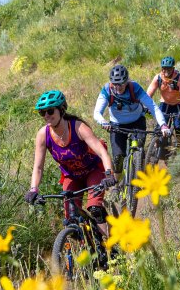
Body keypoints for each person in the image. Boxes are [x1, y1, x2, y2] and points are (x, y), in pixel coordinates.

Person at [25, 90, 115, 231]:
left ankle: (112, 246)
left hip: (93, 171)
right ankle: (80, 244)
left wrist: (109, 173)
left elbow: (102, 152)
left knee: (95, 209)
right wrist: (33, 189)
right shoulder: (43, 134)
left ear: (61, 110)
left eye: (50, 111)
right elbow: (38, 167)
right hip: (71, 176)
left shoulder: (78, 127)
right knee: (71, 219)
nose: (47, 116)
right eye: (42, 113)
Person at [93, 64, 169, 179]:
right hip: (116, 124)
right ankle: (117, 184)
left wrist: (163, 125)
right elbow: (97, 113)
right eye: (115, 84)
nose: (117, 87)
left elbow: (153, 107)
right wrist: (103, 122)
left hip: (137, 122)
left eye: (121, 84)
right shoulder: (107, 90)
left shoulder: (135, 88)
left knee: (138, 148)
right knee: (118, 157)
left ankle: (138, 168)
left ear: (127, 81)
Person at [146, 56, 180, 150]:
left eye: (169, 68)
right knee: (159, 125)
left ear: (173, 68)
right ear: (162, 68)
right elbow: (149, 92)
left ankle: (179, 144)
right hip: (165, 103)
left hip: (178, 104)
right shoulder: (158, 78)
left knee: (178, 126)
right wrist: (145, 105)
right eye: (165, 68)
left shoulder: (178, 77)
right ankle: (156, 145)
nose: (167, 71)